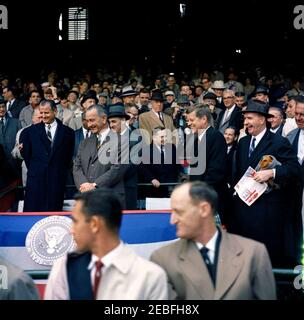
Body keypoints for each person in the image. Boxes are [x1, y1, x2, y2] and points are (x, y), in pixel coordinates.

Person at [150, 181, 276, 300]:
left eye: (179, 212)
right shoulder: (163, 259)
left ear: (204, 209)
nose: (173, 220)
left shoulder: (254, 253)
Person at [44, 188, 168, 300]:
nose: (71, 230)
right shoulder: (65, 266)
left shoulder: (150, 277)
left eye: (75, 221)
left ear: (94, 224)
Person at [231, 99, 302, 267]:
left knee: (265, 261)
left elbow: (294, 169)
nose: (246, 123)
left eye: (249, 118)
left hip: (267, 214)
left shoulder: (279, 142)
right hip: (244, 212)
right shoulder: (243, 143)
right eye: (245, 119)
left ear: (262, 119)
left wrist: (272, 172)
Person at [20, 99, 75, 211]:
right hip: (36, 182)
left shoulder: (68, 132)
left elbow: (68, 157)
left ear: (55, 111)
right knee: (33, 217)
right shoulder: (29, 132)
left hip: (56, 181)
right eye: (41, 113)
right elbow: (27, 156)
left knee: (53, 219)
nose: (44, 116)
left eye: (47, 113)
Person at [73, 104, 127, 207]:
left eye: (92, 120)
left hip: (110, 199)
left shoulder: (122, 141)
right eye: (87, 121)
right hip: (87, 199)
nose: (89, 125)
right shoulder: (84, 143)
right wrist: (84, 187)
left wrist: (94, 185)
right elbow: (77, 167)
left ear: (103, 119)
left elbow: (117, 169)